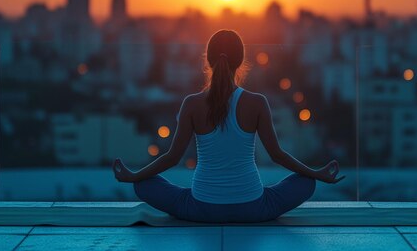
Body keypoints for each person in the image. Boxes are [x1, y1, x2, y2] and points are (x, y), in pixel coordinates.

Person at [112, 29, 344, 223]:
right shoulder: (257, 102)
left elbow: (172, 157)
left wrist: (135, 176)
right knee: (305, 182)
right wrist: (316, 173)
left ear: (209, 60)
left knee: (144, 185)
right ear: (241, 61)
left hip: (201, 208)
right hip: (253, 208)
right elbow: (277, 155)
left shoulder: (191, 103)